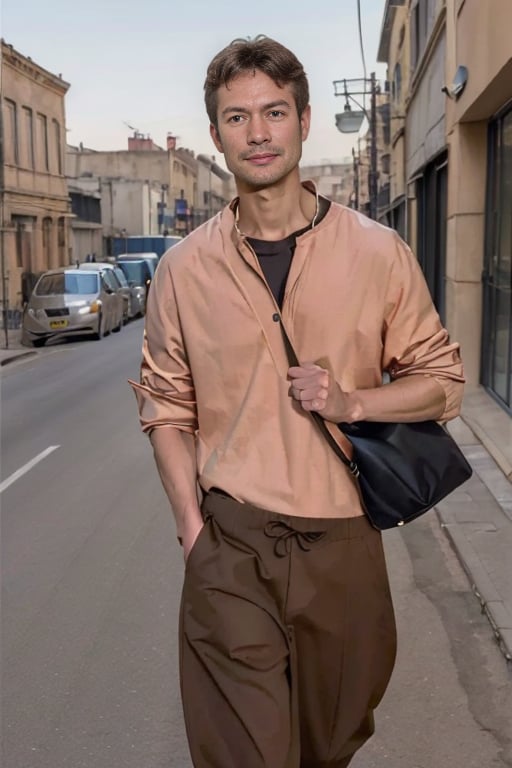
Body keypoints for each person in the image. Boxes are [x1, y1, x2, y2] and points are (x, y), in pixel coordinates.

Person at [130, 35, 465, 768]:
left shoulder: (378, 253)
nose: (258, 133)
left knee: (327, 746)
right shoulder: (183, 271)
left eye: (274, 112)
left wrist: (352, 401)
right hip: (233, 546)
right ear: (216, 134)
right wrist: (194, 534)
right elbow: (165, 407)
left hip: (344, 546)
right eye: (238, 117)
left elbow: (442, 381)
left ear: (305, 121)